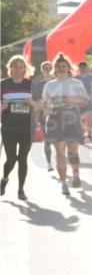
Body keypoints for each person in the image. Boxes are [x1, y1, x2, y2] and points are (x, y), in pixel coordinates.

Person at [41, 53, 89, 195]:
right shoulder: (50, 85)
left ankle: (75, 175)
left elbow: (85, 100)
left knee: (72, 152)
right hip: (55, 119)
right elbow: (44, 104)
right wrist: (48, 110)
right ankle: (63, 184)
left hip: (72, 118)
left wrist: (71, 100)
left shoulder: (76, 83)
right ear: (54, 69)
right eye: (59, 66)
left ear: (68, 68)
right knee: (59, 153)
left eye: (64, 66)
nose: (61, 68)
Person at [1, 55, 35, 200]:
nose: (18, 70)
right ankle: (5, 178)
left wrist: (32, 103)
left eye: (21, 67)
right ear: (10, 68)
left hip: (27, 127)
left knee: (23, 159)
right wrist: (2, 107)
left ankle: (21, 189)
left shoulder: (30, 85)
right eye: (15, 66)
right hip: (9, 127)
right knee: (11, 159)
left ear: (25, 69)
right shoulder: (3, 84)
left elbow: (41, 104)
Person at [30, 61, 54, 172]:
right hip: (44, 114)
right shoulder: (37, 84)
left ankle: (60, 157)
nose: (48, 70)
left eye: (50, 68)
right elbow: (34, 100)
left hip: (58, 114)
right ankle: (49, 163)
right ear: (42, 70)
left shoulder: (57, 82)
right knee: (47, 139)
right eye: (45, 68)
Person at [75, 60, 92, 142]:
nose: (82, 69)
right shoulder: (75, 78)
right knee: (80, 118)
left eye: (84, 67)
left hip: (90, 100)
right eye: (81, 68)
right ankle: (81, 133)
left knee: (90, 117)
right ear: (79, 68)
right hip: (79, 101)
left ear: (86, 68)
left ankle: (89, 133)